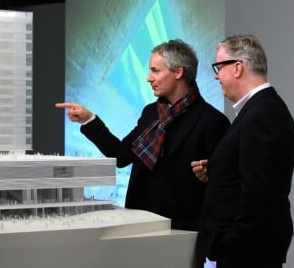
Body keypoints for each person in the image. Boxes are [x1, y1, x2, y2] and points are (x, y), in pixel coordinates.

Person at [56, 39, 230, 231]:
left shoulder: (213, 121)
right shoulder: (151, 113)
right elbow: (121, 156)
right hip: (138, 225)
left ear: (178, 72)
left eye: (155, 70)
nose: (149, 77)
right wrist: (89, 120)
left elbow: (221, 186)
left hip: (182, 233)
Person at [192, 34, 294, 268]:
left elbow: (260, 198)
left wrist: (227, 245)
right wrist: (217, 169)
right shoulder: (261, 110)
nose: (216, 75)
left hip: (246, 254)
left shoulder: (262, 115)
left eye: (218, 66)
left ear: (237, 68)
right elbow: (253, 173)